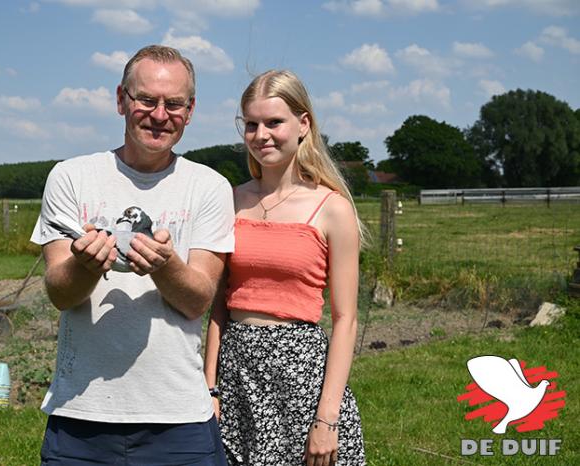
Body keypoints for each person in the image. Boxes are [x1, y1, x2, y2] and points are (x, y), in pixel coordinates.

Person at [31, 45, 234, 465]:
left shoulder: (210, 186)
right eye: (146, 99)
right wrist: (85, 266)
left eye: (174, 103)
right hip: (82, 415)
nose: (160, 115)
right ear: (121, 99)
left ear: (190, 110)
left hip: (178, 419)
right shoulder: (71, 177)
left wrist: (165, 265)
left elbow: (198, 300)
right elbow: (60, 294)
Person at [204, 70, 367, 466]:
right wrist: (209, 389)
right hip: (237, 374)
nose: (262, 135)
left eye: (274, 122)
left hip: (302, 379)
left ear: (303, 125)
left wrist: (327, 418)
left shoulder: (332, 209)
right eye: (252, 124)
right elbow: (219, 306)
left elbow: (345, 319)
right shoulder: (230, 201)